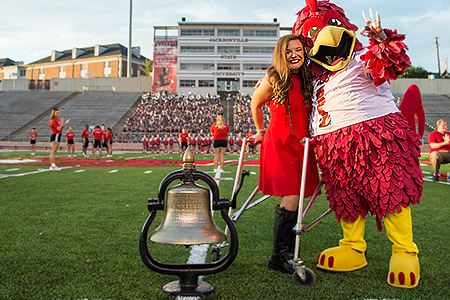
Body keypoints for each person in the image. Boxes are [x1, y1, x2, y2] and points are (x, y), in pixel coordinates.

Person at [250, 34, 320, 274]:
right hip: (280, 141)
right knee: (291, 195)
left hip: (303, 143)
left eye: (298, 50)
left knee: (299, 196)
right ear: (281, 54)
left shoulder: (309, 78)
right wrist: (260, 130)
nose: (294, 55)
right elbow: (255, 103)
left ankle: (287, 252)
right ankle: (278, 257)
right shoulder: (273, 79)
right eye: (289, 51)